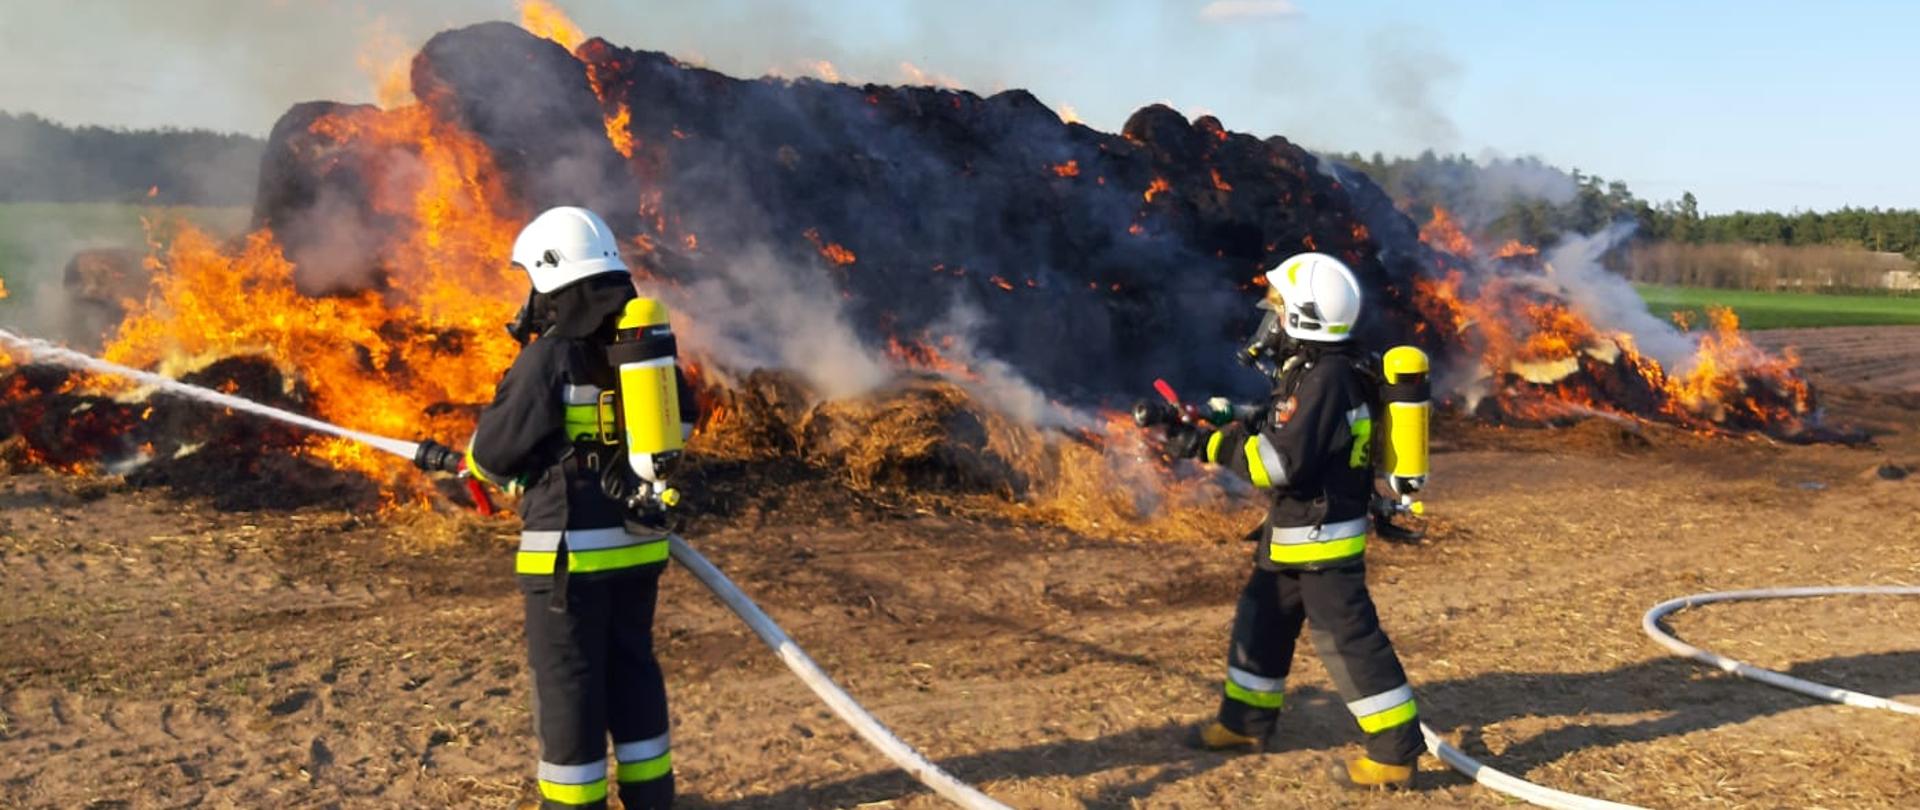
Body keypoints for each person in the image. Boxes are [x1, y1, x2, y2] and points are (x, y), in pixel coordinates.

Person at [415, 205, 695, 809]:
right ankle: (653, 799)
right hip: (639, 546)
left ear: (551, 277)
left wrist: (521, 471)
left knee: (571, 689)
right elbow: (683, 422)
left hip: (569, 560)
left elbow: (492, 455)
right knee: (633, 672)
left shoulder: (549, 356)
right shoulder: (642, 347)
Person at [1162, 251, 1424, 790]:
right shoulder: (1316, 369)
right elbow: (1284, 422)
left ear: (1303, 317)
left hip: (1321, 539)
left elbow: (1278, 463)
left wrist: (1206, 445)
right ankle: (1245, 724)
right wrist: (1228, 415)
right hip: (1295, 533)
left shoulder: (1327, 378)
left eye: (1279, 307)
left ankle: (1395, 752)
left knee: (1349, 641)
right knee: (1262, 618)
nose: (1271, 317)